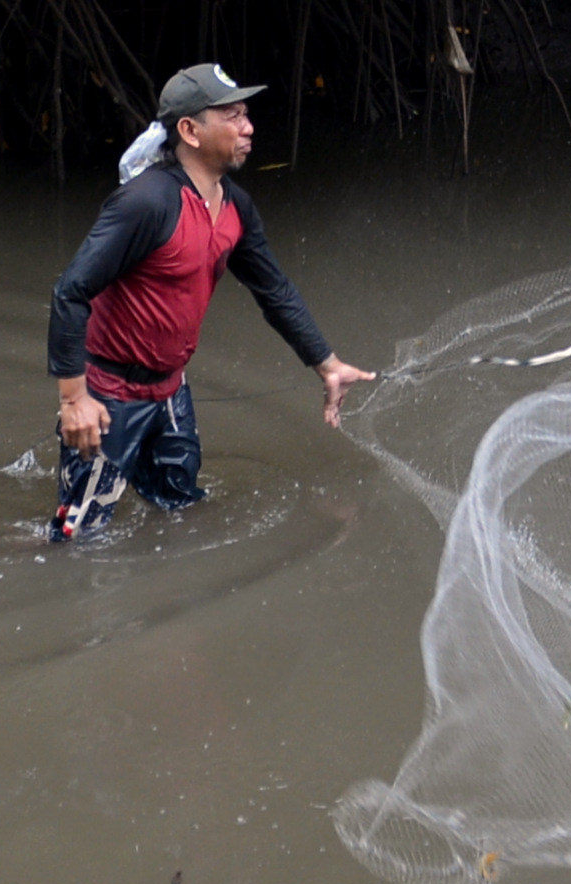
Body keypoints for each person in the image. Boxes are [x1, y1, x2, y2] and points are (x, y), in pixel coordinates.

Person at [42, 61, 374, 540]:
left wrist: (326, 364)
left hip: (170, 388)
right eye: (233, 116)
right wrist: (75, 400)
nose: (248, 127)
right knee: (76, 537)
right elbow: (70, 291)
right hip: (110, 393)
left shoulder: (235, 205)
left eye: (246, 114)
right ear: (190, 131)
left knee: (180, 507)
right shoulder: (147, 203)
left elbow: (273, 289)